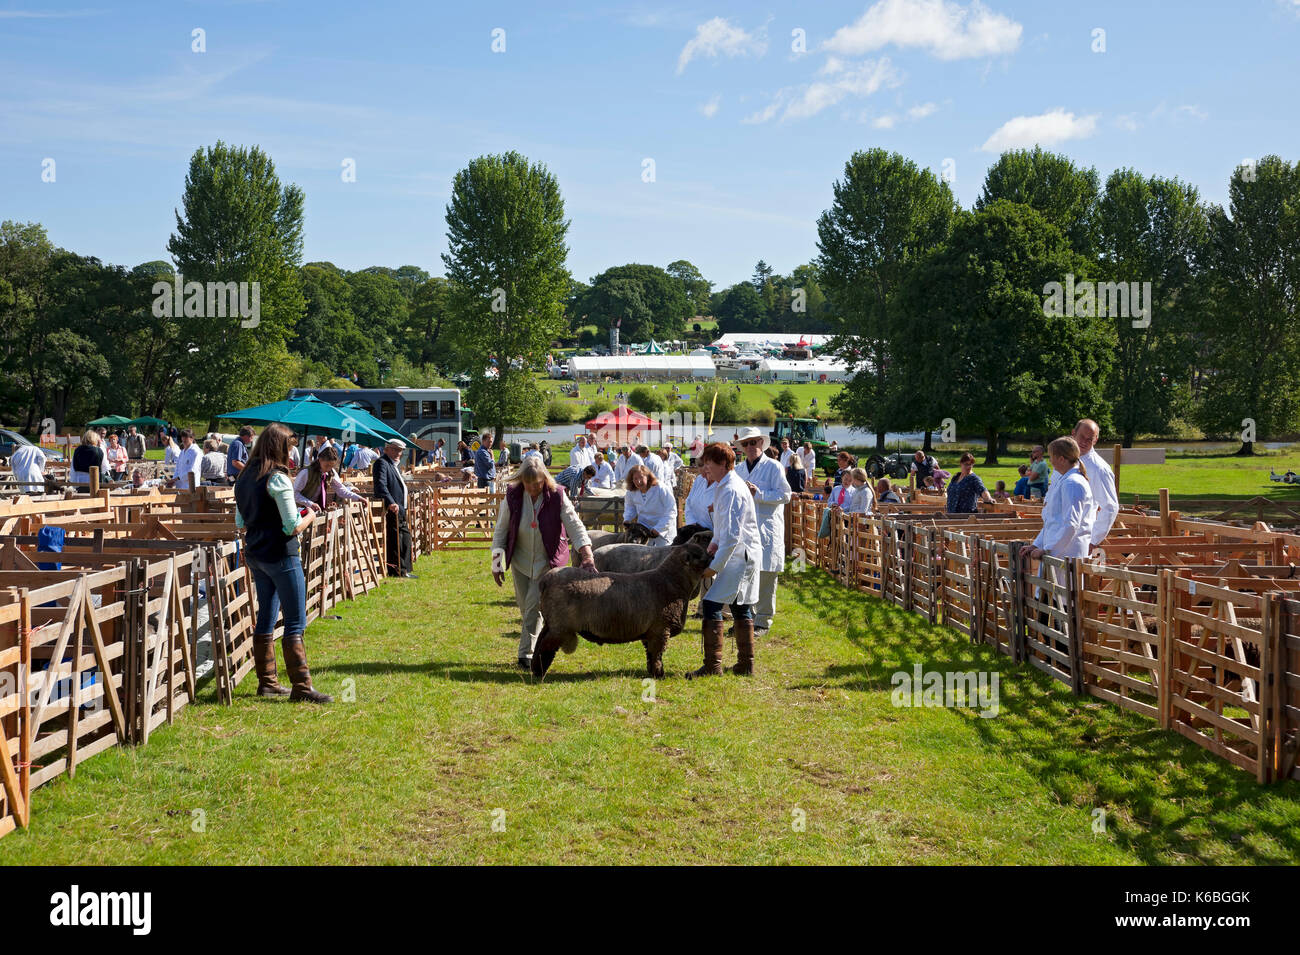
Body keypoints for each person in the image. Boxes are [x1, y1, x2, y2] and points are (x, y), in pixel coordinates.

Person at [233, 422, 330, 703]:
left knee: (266, 615)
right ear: (280, 447)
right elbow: (291, 526)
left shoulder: (245, 477)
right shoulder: (277, 478)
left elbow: (241, 521)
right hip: (281, 553)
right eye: (289, 447)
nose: (292, 454)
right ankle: (301, 686)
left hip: (256, 553)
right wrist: (311, 514)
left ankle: (268, 682)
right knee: (295, 621)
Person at [490, 457, 596, 669]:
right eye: (529, 484)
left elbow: (574, 525)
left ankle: (526, 656)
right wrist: (497, 563)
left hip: (548, 562)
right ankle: (539, 645)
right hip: (520, 561)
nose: (533, 488)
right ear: (522, 481)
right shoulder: (512, 495)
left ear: (544, 479)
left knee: (532, 607)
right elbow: (501, 529)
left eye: (538, 483)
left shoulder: (557, 495)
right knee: (526, 607)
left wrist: (586, 554)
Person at [687, 442, 761, 679]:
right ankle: (745, 665)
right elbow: (721, 532)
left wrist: (713, 567)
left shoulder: (731, 489)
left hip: (741, 555)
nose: (705, 466)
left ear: (722, 463)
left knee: (711, 604)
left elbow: (731, 537)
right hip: (739, 553)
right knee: (740, 606)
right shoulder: (724, 485)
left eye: (708, 461)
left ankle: (713, 666)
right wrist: (711, 548)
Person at [734, 427, 792, 636]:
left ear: (762, 443)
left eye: (754, 442)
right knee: (744, 574)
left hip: (767, 528)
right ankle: (745, 618)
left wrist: (759, 494)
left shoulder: (774, 467)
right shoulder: (739, 470)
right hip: (745, 529)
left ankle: (763, 621)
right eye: (746, 444)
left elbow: (786, 495)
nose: (750, 447)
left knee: (766, 576)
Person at [1021, 437, 1095, 561]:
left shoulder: (1072, 483)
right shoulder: (1066, 480)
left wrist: (1048, 550)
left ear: (1061, 459)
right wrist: (1036, 545)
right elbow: (1053, 521)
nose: (1050, 461)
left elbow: (1071, 524)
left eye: (1051, 457)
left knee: (1064, 582)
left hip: (1066, 554)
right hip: (1059, 552)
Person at [1072, 418, 1119, 546]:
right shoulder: (1064, 459)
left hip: (1079, 539)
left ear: (1095, 440)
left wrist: (1093, 541)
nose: (1084, 442)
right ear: (1073, 433)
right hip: (1057, 536)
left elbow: (1110, 507)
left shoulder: (1098, 468)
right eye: (1082, 436)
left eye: (1090, 439)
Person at [373, 438, 415, 578]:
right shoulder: (381, 463)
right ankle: (397, 571)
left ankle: (404, 570)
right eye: (395, 449)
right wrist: (390, 502)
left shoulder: (392, 464)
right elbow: (381, 485)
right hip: (392, 508)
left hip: (400, 508)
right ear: (386, 449)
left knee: (404, 538)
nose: (398, 453)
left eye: (400, 450)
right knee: (396, 540)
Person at [295, 445, 365, 511]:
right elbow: (295, 493)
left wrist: (358, 498)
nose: (328, 468)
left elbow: (341, 490)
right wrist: (310, 503)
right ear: (320, 460)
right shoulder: (306, 472)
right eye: (326, 465)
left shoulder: (331, 473)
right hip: (300, 509)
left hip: (316, 509)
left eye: (331, 466)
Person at [623, 464, 677, 546]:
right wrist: (627, 518)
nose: (638, 481)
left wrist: (658, 528)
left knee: (663, 556)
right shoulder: (631, 492)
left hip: (664, 531)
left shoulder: (661, 489)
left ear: (647, 477)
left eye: (641, 477)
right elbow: (630, 507)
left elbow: (671, 511)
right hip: (643, 531)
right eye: (635, 479)